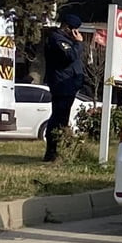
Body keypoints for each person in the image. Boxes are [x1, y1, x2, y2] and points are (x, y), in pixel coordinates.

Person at [42, 14, 86, 162]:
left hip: (69, 85)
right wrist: (79, 43)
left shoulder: (68, 40)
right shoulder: (57, 39)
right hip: (61, 85)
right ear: (67, 27)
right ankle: (51, 152)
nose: (76, 33)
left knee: (62, 119)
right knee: (58, 118)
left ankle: (59, 150)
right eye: (74, 30)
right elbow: (70, 56)